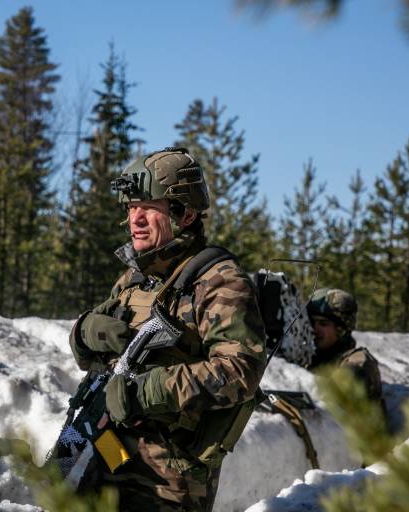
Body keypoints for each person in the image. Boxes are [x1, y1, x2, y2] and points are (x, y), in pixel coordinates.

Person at [69, 147, 268, 510]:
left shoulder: (220, 282)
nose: (135, 218)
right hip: (111, 452)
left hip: (168, 479)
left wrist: (147, 391)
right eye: (131, 207)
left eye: (148, 207)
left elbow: (241, 371)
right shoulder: (133, 278)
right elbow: (96, 360)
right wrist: (84, 333)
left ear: (185, 213)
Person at [306, 287, 384, 405]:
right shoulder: (308, 356)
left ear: (341, 329)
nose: (314, 329)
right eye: (311, 322)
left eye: (323, 323)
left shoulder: (358, 360)